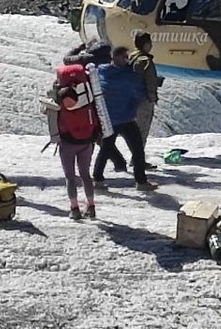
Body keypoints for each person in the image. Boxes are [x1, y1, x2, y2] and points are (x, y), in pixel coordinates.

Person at [93, 46, 155, 191]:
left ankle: (97, 179)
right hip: (125, 118)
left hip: (108, 119)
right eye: (126, 57)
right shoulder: (128, 76)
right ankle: (141, 181)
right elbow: (137, 94)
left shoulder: (102, 72)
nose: (128, 60)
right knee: (138, 149)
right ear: (118, 58)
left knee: (106, 148)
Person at [56, 69, 101, 220]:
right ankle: (91, 206)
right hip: (86, 142)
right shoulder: (86, 102)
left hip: (68, 143)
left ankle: (74, 208)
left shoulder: (61, 106)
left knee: (70, 177)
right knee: (85, 174)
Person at [130, 31, 160, 169]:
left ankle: (135, 158)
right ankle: (138, 160)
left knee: (135, 130)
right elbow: (150, 82)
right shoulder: (146, 61)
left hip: (132, 99)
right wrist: (153, 97)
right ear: (147, 44)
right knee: (142, 131)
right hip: (144, 100)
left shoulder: (131, 58)